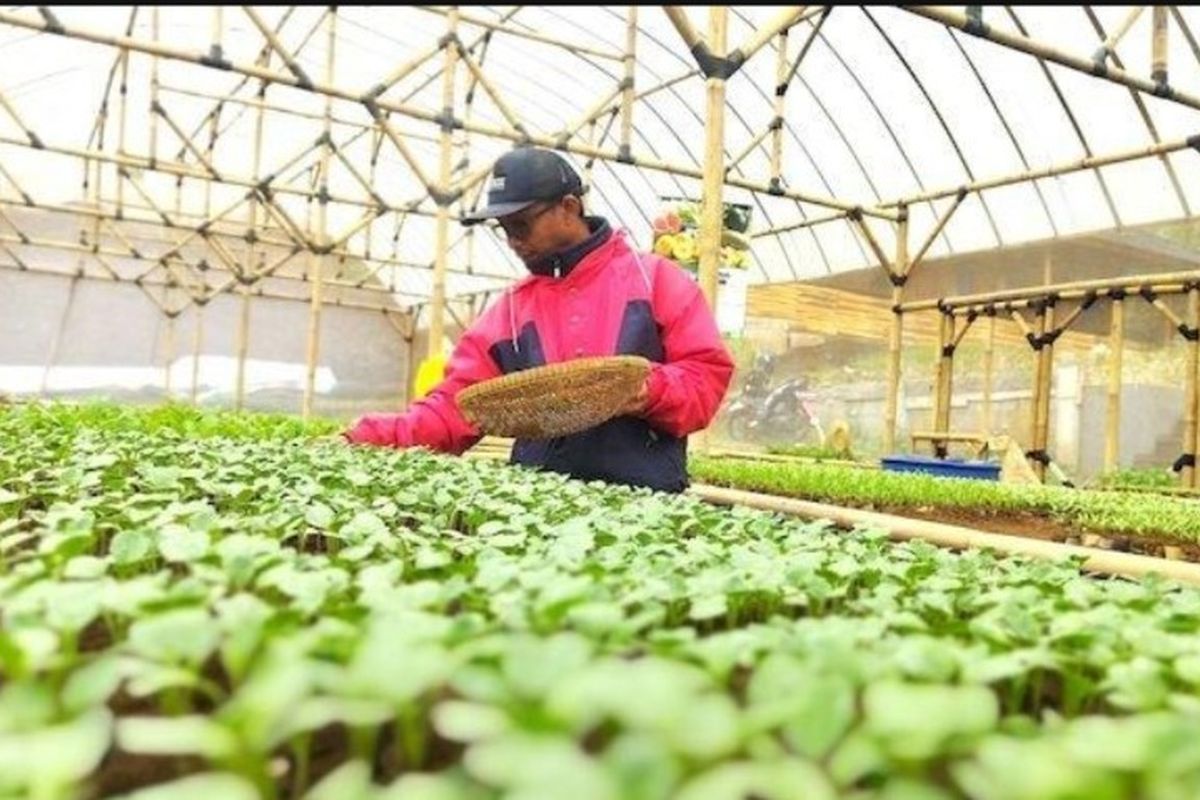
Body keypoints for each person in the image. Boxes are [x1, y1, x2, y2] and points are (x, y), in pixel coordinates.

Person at [343, 147, 734, 493]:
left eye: (521, 224)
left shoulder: (655, 280)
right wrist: (371, 435)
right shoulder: (510, 313)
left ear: (568, 207)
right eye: (504, 229)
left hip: (646, 499)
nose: (513, 239)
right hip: (537, 505)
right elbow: (455, 407)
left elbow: (706, 377)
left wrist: (646, 390)